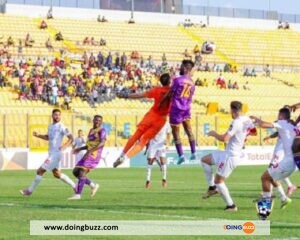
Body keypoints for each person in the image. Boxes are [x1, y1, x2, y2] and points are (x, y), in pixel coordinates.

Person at [201, 101, 256, 211]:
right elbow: (254, 132)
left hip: (230, 156)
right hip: (227, 153)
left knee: (219, 181)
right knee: (204, 160)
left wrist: (214, 133)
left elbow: (224, 139)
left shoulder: (236, 122)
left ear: (233, 110)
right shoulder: (247, 119)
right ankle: (212, 188)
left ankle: (231, 205)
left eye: (230, 110)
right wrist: (243, 138)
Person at [113, 73, 171, 168]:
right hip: (161, 120)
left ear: (161, 82)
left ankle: (122, 155)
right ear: (169, 81)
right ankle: (126, 158)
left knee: (136, 136)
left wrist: (127, 96)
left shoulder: (156, 90)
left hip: (151, 115)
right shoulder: (173, 92)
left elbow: (140, 95)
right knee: (143, 141)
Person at [251, 108, 297, 219]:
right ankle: (282, 199)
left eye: (278, 115)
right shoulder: (292, 126)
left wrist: (256, 119)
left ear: (281, 116)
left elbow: (263, 124)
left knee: (265, 178)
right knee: (269, 177)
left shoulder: (282, 122)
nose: (277, 117)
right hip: (293, 161)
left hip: (287, 161)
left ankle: (265, 210)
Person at [20, 109, 76, 196]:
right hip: (51, 153)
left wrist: (64, 146)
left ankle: (29, 191)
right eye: (56, 115)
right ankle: (75, 187)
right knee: (57, 174)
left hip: (56, 154)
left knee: (40, 171)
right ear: (52, 116)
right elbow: (48, 137)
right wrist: (38, 135)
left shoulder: (62, 126)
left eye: (59, 115)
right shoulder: (50, 126)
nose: (57, 116)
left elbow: (71, 138)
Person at [160, 60, 196, 164]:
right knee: (189, 130)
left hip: (176, 109)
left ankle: (181, 155)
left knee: (176, 134)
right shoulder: (192, 83)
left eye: (181, 67)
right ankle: (193, 152)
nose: (179, 68)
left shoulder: (178, 80)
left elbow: (170, 93)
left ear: (185, 68)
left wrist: (161, 102)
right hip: (187, 109)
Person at [69, 115, 106, 200]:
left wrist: (89, 151)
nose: (97, 122)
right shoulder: (91, 131)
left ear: (101, 122)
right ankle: (93, 185)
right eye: (96, 120)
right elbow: (88, 145)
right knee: (75, 172)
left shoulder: (102, 131)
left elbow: (102, 143)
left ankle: (78, 194)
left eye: (100, 121)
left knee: (82, 171)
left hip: (94, 155)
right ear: (93, 120)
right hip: (89, 153)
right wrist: (79, 148)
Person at [263, 132, 297, 196]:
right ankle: (290, 186)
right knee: (277, 170)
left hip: (281, 150)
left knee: (271, 169)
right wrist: (270, 136)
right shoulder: (289, 126)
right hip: (280, 149)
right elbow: (278, 132)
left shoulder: (291, 126)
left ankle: (270, 191)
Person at [145, 122, 171, 189]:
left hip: (162, 144)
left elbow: (168, 134)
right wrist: (147, 143)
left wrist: (167, 142)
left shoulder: (166, 123)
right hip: (153, 144)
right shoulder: (153, 122)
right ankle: (148, 181)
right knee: (150, 161)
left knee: (163, 161)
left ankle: (164, 180)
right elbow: (148, 133)